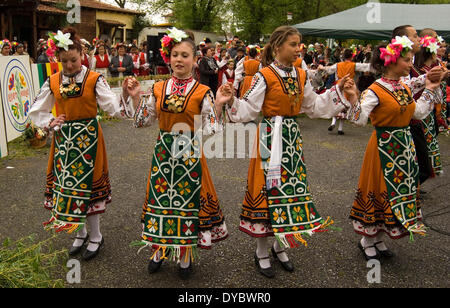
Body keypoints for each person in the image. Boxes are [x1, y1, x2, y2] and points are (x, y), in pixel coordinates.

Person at [217, 26, 355, 279]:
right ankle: (261, 251)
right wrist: (231, 101)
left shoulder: (302, 75)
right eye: (293, 44)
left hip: (291, 138)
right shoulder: (265, 75)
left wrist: (339, 91)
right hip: (270, 136)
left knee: (288, 190)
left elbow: (313, 106)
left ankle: (280, 246)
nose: (298, 49)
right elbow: (248, 108)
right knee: (268, 192)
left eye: (299, 44)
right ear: (278, 46)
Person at [127, 27, 228, 279]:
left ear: (195, 60)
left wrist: (218, 104)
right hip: (163, 154)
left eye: (185, 55)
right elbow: (141, 122)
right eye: (175, 54)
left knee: (186, 204)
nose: (179, 60)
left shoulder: (203, 91)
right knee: (162, 203)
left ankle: (184, 256)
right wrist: (136, 98)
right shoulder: (159, 88)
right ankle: (159, 250)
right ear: (167, 58)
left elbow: (213, 128)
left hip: (190, 153)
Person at [29, 27, 135, 261]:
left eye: (74, 60)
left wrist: (127, 96)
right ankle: (80, 232)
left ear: (83, 56)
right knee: (69, 189)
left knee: (89, 189)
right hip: (64, 141)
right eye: (64, 61)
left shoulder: (94, 79)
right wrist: (50, 121)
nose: (69, 65)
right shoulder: (53, 80)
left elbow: (112, 108)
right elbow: (36, 109)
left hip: (89, 140)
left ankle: (96, 236)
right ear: (58, 59)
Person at [346, 36, 445, 261]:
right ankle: (367, 240)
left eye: (411, 60)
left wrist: (430, 87)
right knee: (381, 191)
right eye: (407, 60)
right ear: (391, 62)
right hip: (383, 148)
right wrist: (353, 98)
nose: (411, 64)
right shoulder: (375, 90)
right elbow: (360, 119)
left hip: (403, 146)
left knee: (396, 193)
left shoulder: (403, 86)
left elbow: (417, 113)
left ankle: (380, 238)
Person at [320, 49, 373, 135]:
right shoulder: (353, 65)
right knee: (345, 105)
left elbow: (329, 70)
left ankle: (333, 122)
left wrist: (322, 68)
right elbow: (365, 67)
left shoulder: (338, 65)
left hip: (339, 85)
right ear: (351, 57)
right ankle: (340, 129)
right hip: (349, 86)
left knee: (336, 103)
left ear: (343, 56)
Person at [413, 34, 444, 177]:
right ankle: (418, 179)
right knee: (421, 149)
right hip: (421, 114)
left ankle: (418, 182)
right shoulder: (422, 71)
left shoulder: (426, 69)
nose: (441, 50)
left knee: (423, 148)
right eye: (438, 47)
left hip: (426, 112)